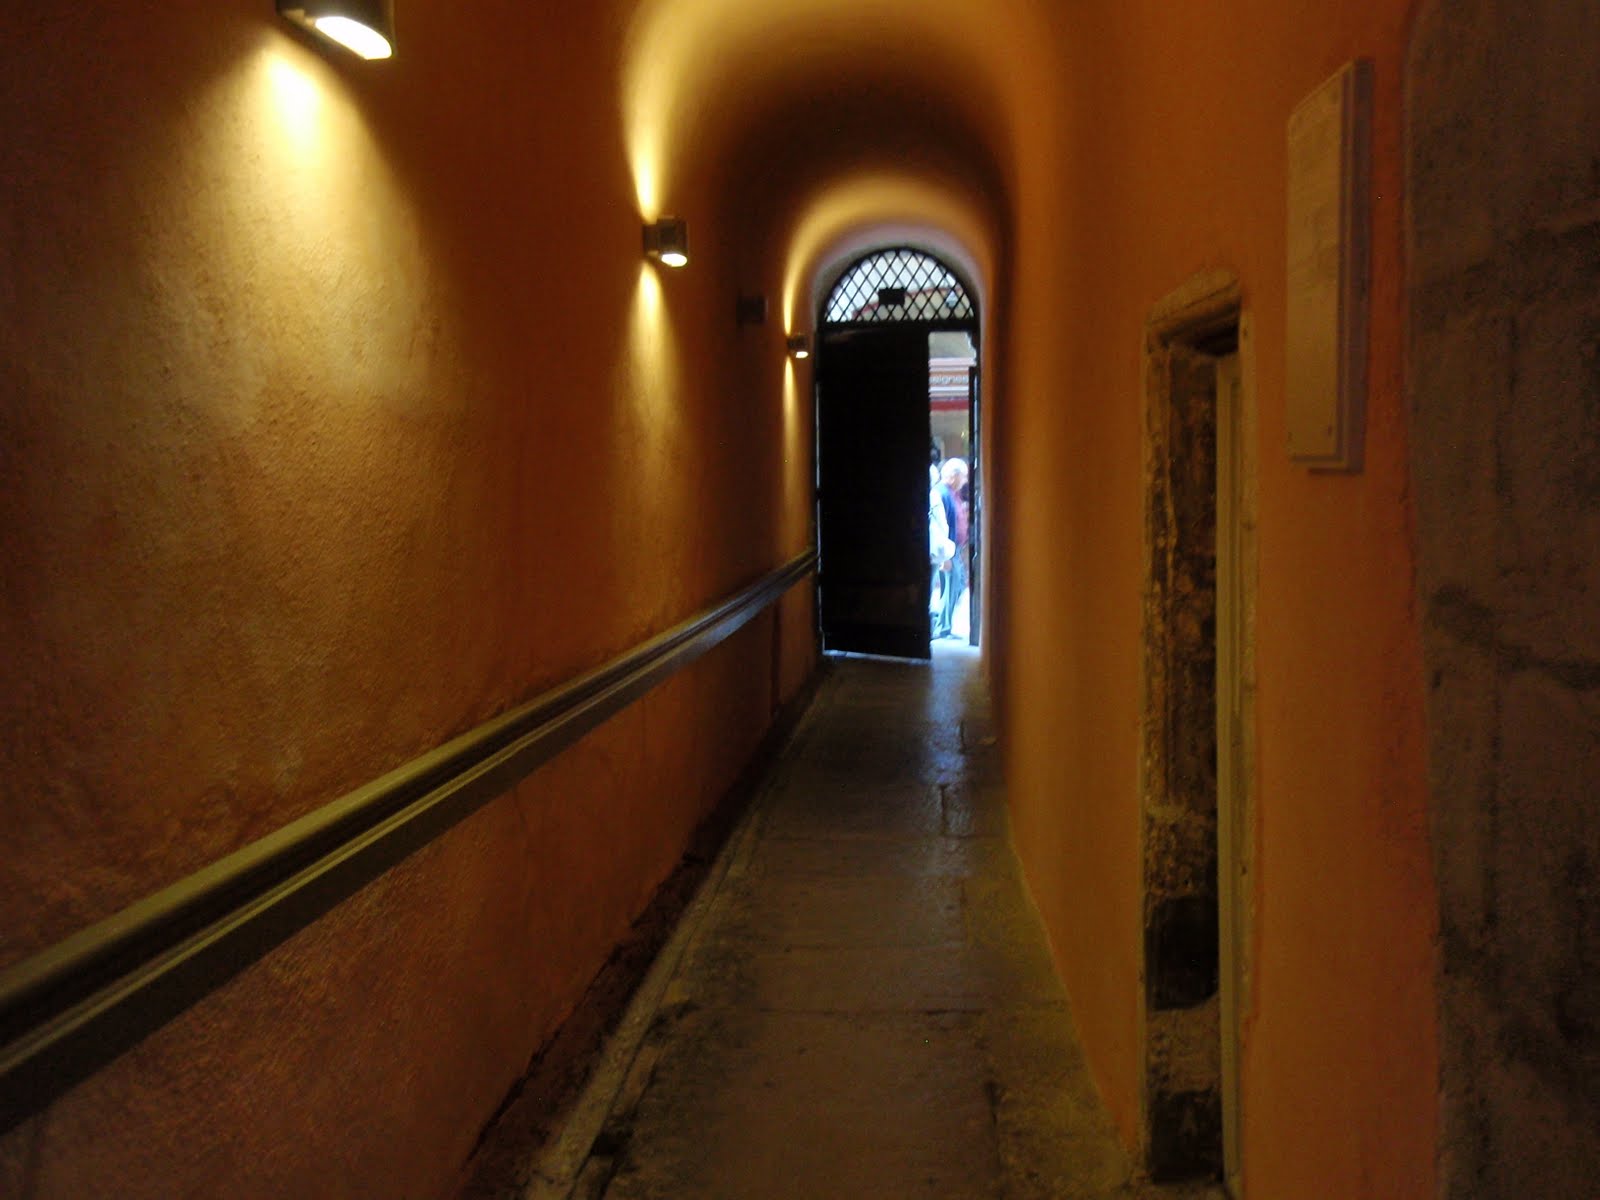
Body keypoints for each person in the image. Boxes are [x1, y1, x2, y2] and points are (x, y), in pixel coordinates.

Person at [933, 457, 968, 638]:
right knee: (951, 586)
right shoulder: (941, 493)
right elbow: (939, 526)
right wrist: (945, 556)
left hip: (954, 549)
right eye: (963, 476)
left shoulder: (951, 493)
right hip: (948, 550)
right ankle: (942, 627)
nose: (965, 481)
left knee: (957, 584)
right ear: (953, 475)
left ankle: (942, 624)